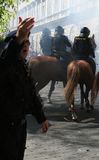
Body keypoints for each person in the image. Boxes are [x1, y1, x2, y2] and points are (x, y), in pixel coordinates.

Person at [0, 17, 49, 160]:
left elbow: (31, 93)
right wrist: (17, 40)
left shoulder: (23, 65)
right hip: (4, 127)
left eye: (27, 42)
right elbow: (6, 61)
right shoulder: (5, 64)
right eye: (22, 42)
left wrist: (41, 117)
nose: (25, 45)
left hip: (19, 126)